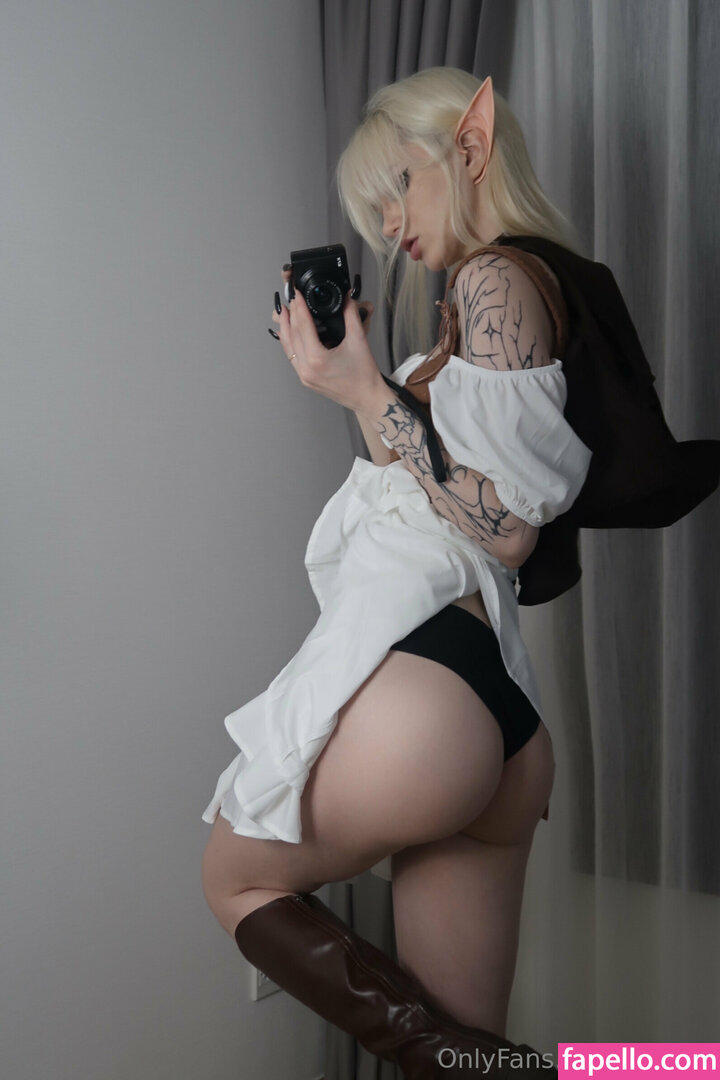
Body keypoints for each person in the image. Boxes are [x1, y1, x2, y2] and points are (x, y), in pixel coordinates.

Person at [200, 67, 592, 1078]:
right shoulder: (487, 304)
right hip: (494, 720)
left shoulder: (494, 279)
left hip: (432, 696)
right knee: (461, 1064)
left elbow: (506, 528)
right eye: (373, 207)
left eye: (398, 186)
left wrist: (367, 391)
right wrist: (359, 381)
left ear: (469, 147)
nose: (387, 222)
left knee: (233, 878)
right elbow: (441, 490)